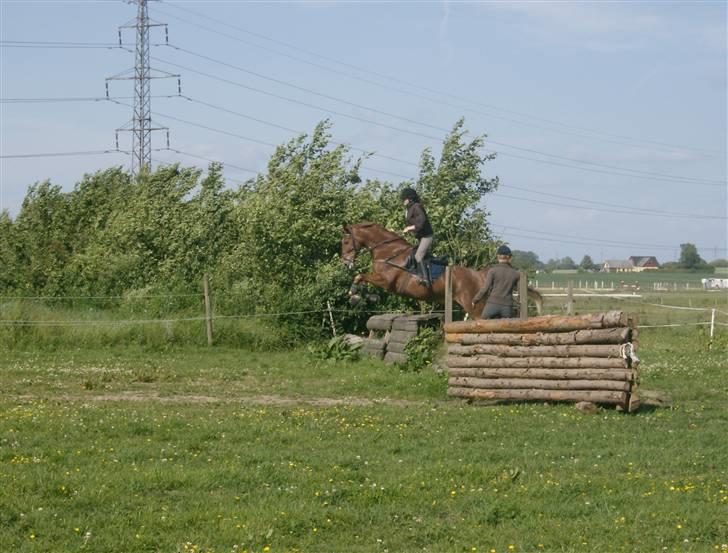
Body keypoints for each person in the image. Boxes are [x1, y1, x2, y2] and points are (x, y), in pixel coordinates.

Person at [471, 245, 520, 319]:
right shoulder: (515, 273)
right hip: (507, 307)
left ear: (498, 256)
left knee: (483, 324)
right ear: (509, 257)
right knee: (507, 328)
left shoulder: (493, 271)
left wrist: (475, 300)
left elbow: (485, 288)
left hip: (492, 304)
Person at [400, 187, 433, 286]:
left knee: (418, 256)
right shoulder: (410, 209)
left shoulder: (417, 206)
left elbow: (422, 222)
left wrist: (409, 228)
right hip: (421, 237)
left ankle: (425, 278)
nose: (403, 201)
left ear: (410, 198)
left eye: (404, 199)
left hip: (427, 236)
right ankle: (416, 273)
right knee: (410, 253)